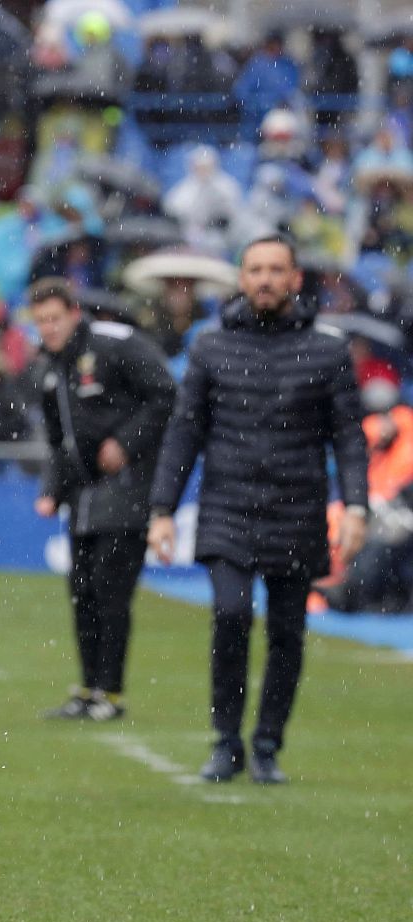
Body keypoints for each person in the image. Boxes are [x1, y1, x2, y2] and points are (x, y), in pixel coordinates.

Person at [148, 235, 369, 784]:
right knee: (230, 615)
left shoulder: (327, 349)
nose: (266, 279)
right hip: (228, 505)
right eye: (256, 270)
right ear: (241, 279)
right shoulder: (210, 347)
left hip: (298, 506)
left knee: (288, 633)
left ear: (296, 279)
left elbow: (348, 435)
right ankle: (226, 741)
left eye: (276, 270)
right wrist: (161, 509)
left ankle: (267, 744)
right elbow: (185, 431)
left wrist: (358, 505)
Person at [28, 278, 175, 722]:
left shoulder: (117, 344)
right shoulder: (49, 369)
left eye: (54, 319)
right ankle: (89, 688)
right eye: (40, 322)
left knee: (110, 590)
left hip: (127, 486)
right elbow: (59, 442)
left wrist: (126, 443)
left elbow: (166, 393)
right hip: (83, 492)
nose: (49, 329)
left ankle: (110, 692)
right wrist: (51, 490)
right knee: (81, 592)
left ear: (75, 312)